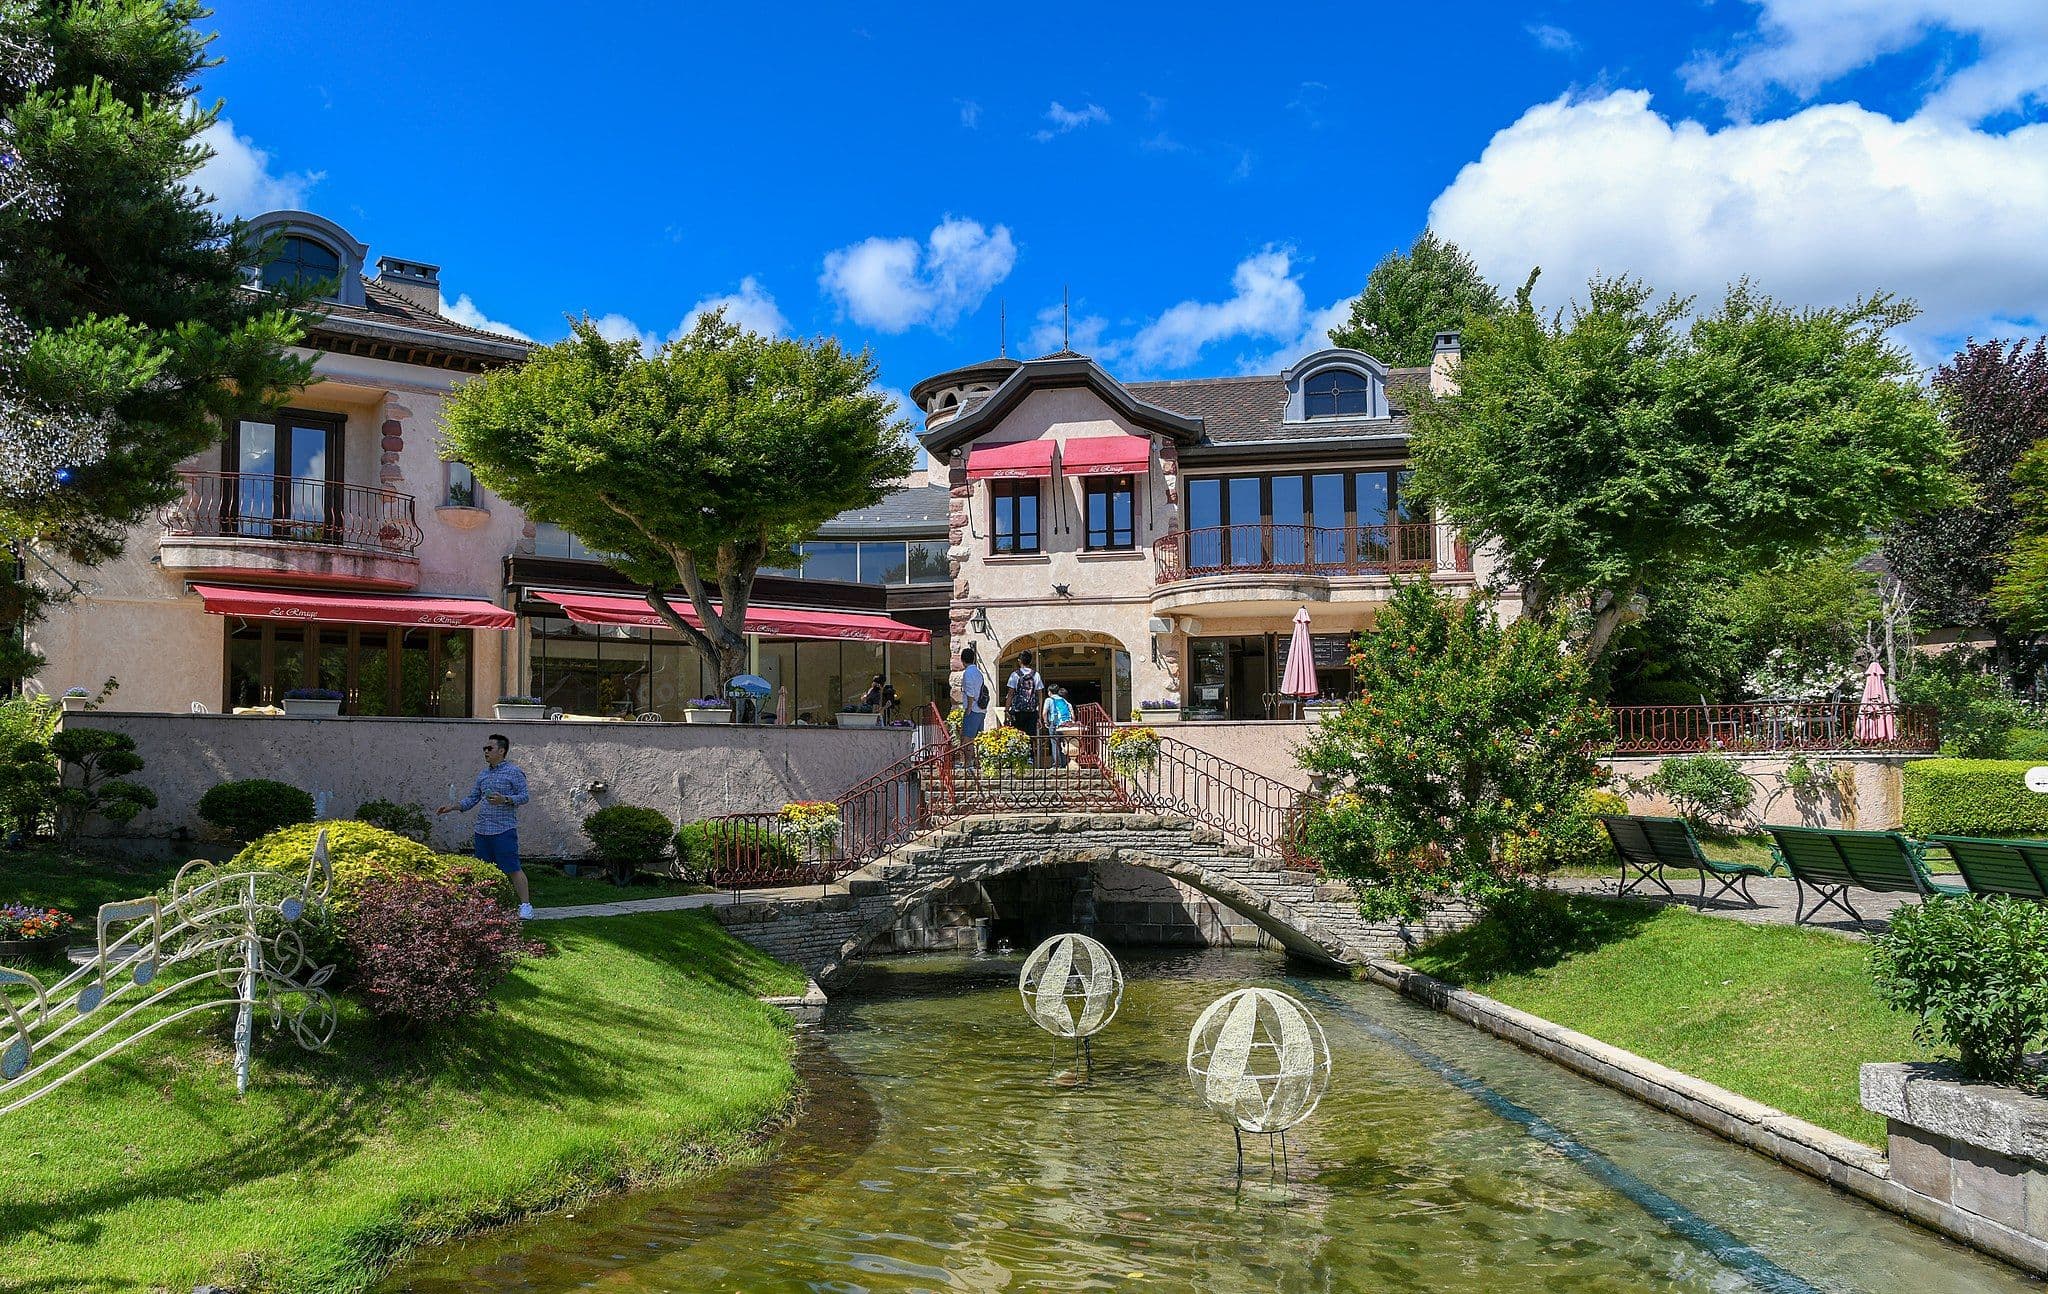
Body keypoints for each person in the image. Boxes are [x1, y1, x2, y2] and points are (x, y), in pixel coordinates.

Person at [437, 732, 533, 919]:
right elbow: (473, 798)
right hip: (482, 830)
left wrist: (504, 799)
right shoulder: (483, 774)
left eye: (489, 748)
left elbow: (524, 796)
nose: (485, 751)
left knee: (512, 868)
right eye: (484, 749)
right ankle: (489, 905)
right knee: (485, 869)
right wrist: (453, 807)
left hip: (504, 829)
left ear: (502, 751)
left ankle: (525, 906)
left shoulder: (514, 772)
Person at [1006, 651, 1044, 739]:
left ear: (1019, 661)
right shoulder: (1036, 675)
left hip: (1018, 712)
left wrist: (1007, 710)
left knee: (1018, 737)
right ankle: (1031, 752)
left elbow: (1010, 694)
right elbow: (1040, 696)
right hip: (1032, 711)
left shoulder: (1015, 675)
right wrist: (1039, 714)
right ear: (1030, 661)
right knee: (1030, 738)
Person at [959, 646, 990, 742]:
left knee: (967, 739)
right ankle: (976, 757)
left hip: (973, 709)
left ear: (962, 660)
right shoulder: (978, 672)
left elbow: (970, 693)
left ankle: (969, 757)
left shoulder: (968, 673)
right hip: (981, 709)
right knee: (977, 739)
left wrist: (968, 708)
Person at [1043, 684, 1075, 767]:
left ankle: (1056, 764)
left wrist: (1045, 722)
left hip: (1054, 724)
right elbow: (1072, 712)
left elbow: (1044, 712)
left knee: (1055, 743)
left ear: (1049, 692)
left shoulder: (1049, 700)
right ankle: (1064, 763)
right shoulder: (1064, 700)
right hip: (1065, 725)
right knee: (1064, 743)